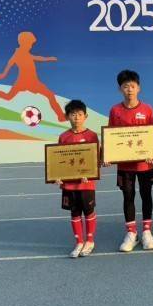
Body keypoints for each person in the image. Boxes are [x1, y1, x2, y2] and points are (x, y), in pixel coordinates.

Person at [107, 70, 153, 252]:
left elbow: (152, 134)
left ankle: (147, 232)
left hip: (145, 163)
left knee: (146, 195)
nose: (129, 90)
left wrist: (152, 153)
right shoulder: (115, 110)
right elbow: (111, 136)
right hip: (124, 165)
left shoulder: (147, 109)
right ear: (120, 89)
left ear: (139, 88)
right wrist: (108, 155)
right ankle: (131, 233)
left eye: (133, 86)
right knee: (128, 196)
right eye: (125, 86)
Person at [0, 31, 66, 121]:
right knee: (8, 97)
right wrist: (4, 74)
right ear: (24, 43)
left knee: (50, 95)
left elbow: (37, 58)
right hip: (23, 82)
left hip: (33, 82)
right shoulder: (18, 53)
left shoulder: (26, 54)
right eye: (30, 44)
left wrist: (48, 59)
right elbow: (10, 63)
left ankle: (60, 116)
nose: (31, 46)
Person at [55, 100, 99, 258]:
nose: (77, 117)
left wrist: (91, 172)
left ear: (85, 116)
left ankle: (90, 241)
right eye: (73, 114)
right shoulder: (64, 137)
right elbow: (58, 160)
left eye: (80, 114)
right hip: (69, 185)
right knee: (74, 213)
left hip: (86, 184)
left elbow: (96, 158)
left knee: (88, 211)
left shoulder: (92, 135)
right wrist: (57, 176)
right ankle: (79, 242)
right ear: (67, 116)